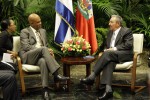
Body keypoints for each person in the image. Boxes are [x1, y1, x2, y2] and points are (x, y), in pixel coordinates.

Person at [80, 15, 133, 100]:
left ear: (118, 23)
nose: (109, 24)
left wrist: (113, 49)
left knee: (108, 54)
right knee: (109, 61)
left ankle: (92, 77)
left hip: (124, 54)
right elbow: (107, 46)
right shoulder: (110, 32)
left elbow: (128, 45)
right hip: (111, 56)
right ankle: (108, 90)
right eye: (109, 22)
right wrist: (105, 50)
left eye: (111, 22)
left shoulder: (126, 31)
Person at [19, 13, 69, 100]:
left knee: (43, 61)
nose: (40, 23)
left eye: (40, 21)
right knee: (43, 49)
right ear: (31, 23)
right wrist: (42, 49)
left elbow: (45, 45)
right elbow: (26, 47)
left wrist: (48, 50)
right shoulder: (24, 31)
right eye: (38, 22)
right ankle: (56, 74)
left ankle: (45, 90)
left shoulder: (43, 31)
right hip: (28, 56)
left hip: (41, 56)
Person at [0, 19, 21, 100]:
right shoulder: (4, 35)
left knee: (12, 68)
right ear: (8, 26)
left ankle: (9, 91)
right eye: (13, 24)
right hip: (1, 58)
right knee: (12, 68)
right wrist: (9, 52)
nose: (15, 26)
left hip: (6, 58)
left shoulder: (10, 35)